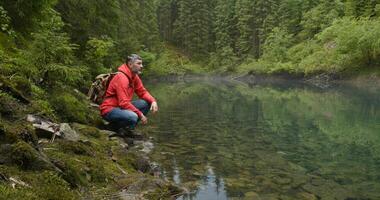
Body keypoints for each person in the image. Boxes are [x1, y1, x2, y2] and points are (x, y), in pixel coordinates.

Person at [100, 54, 158, 134]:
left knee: (146, 103)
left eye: (141, 63)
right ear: (130, 64)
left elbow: (142, 92)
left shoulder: (134, 76)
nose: (142, 66)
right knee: (133, 116)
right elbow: (123, 102)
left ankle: (126, 128)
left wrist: (153, 101)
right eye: (138, 63)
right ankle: (114, 127)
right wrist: (140, 114)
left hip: (120, 107)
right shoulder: (122, 77)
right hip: (109, 110)